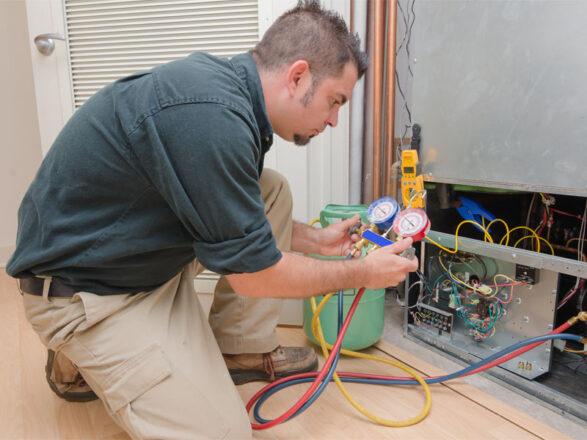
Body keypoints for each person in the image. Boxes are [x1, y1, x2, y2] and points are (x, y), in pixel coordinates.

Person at [7, 1, 418, 438]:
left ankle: (238, 348)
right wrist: (362, 273)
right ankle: (79, 351)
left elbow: (227, 212)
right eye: (334, 101)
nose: (334, 120)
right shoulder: (211, 120)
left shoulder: (227, 96)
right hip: (86, 292)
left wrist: (315, 240)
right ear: (298, 76)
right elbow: (254, 276)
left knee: (271, 189)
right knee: (222, 433)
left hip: (129, 254)